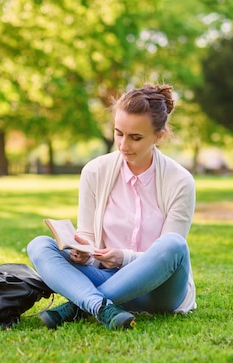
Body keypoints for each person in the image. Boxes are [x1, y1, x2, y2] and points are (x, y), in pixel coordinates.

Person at [27, 82, 196, 330]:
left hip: (160, 292)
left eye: (136, 137)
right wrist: (84, 250)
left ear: (158, 137)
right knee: (39, 246)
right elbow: (87, 234)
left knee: (175, 244)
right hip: (106, 278)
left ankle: (79, 306)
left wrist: (123, 258)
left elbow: (169, 255)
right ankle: (101, 307)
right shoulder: (95, 172)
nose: (124, 145)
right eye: (119, 133)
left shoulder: (180, 181)